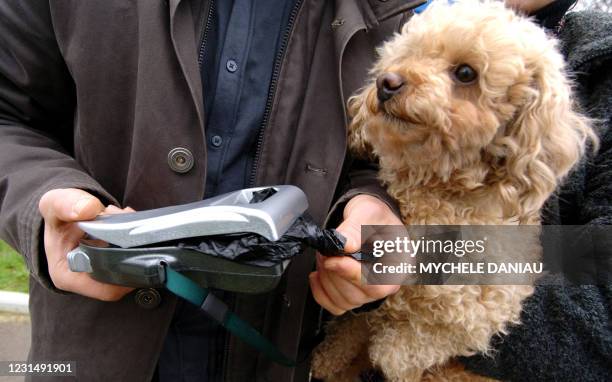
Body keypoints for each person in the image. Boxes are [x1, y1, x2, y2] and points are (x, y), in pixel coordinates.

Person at [0, 0, 415, 381]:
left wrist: (382, 214)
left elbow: (468, 237)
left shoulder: (413, 13)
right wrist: (41, 204)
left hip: (296, 359)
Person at [458, 0, 612, 380]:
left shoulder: (599, 60)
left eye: (464, 74)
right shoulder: (408, 27)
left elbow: (601, 301)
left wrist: (411, 256)